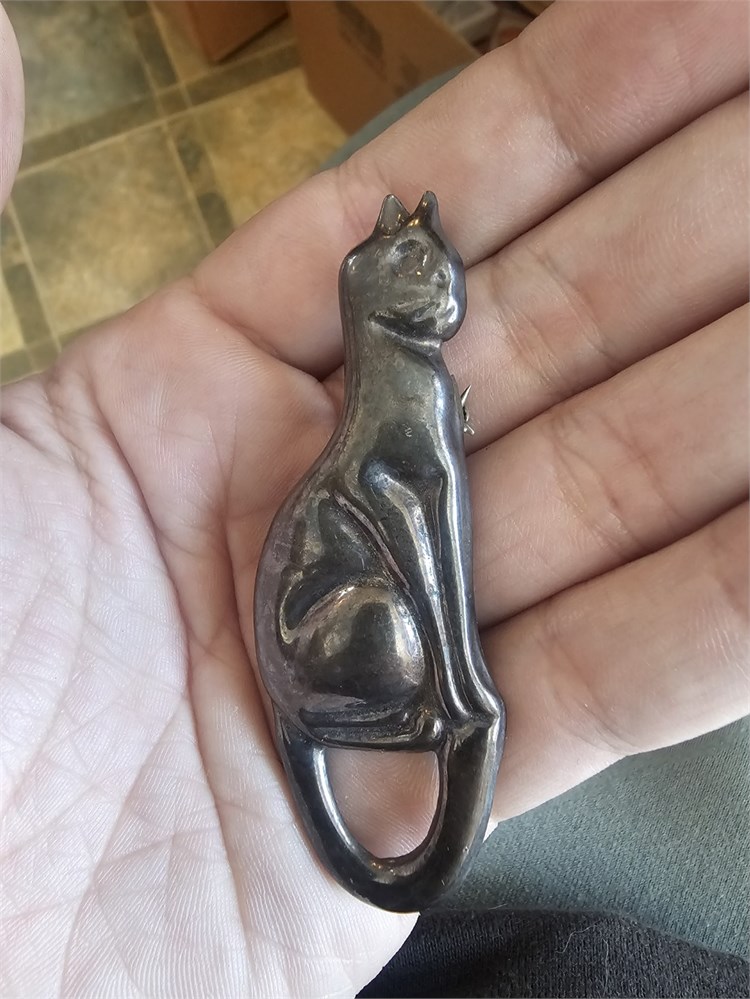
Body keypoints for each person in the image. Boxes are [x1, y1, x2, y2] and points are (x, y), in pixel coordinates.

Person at [1, 2, 747, 996]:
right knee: (400, 622)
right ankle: (422, 700)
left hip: (338, 670)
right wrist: (452, 671)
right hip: (333, 655)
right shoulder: (398, 390)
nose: (445, 298)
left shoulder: (412, 387)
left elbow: (426, 518)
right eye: (425, 276)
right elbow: (410, 523)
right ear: (384, 284)